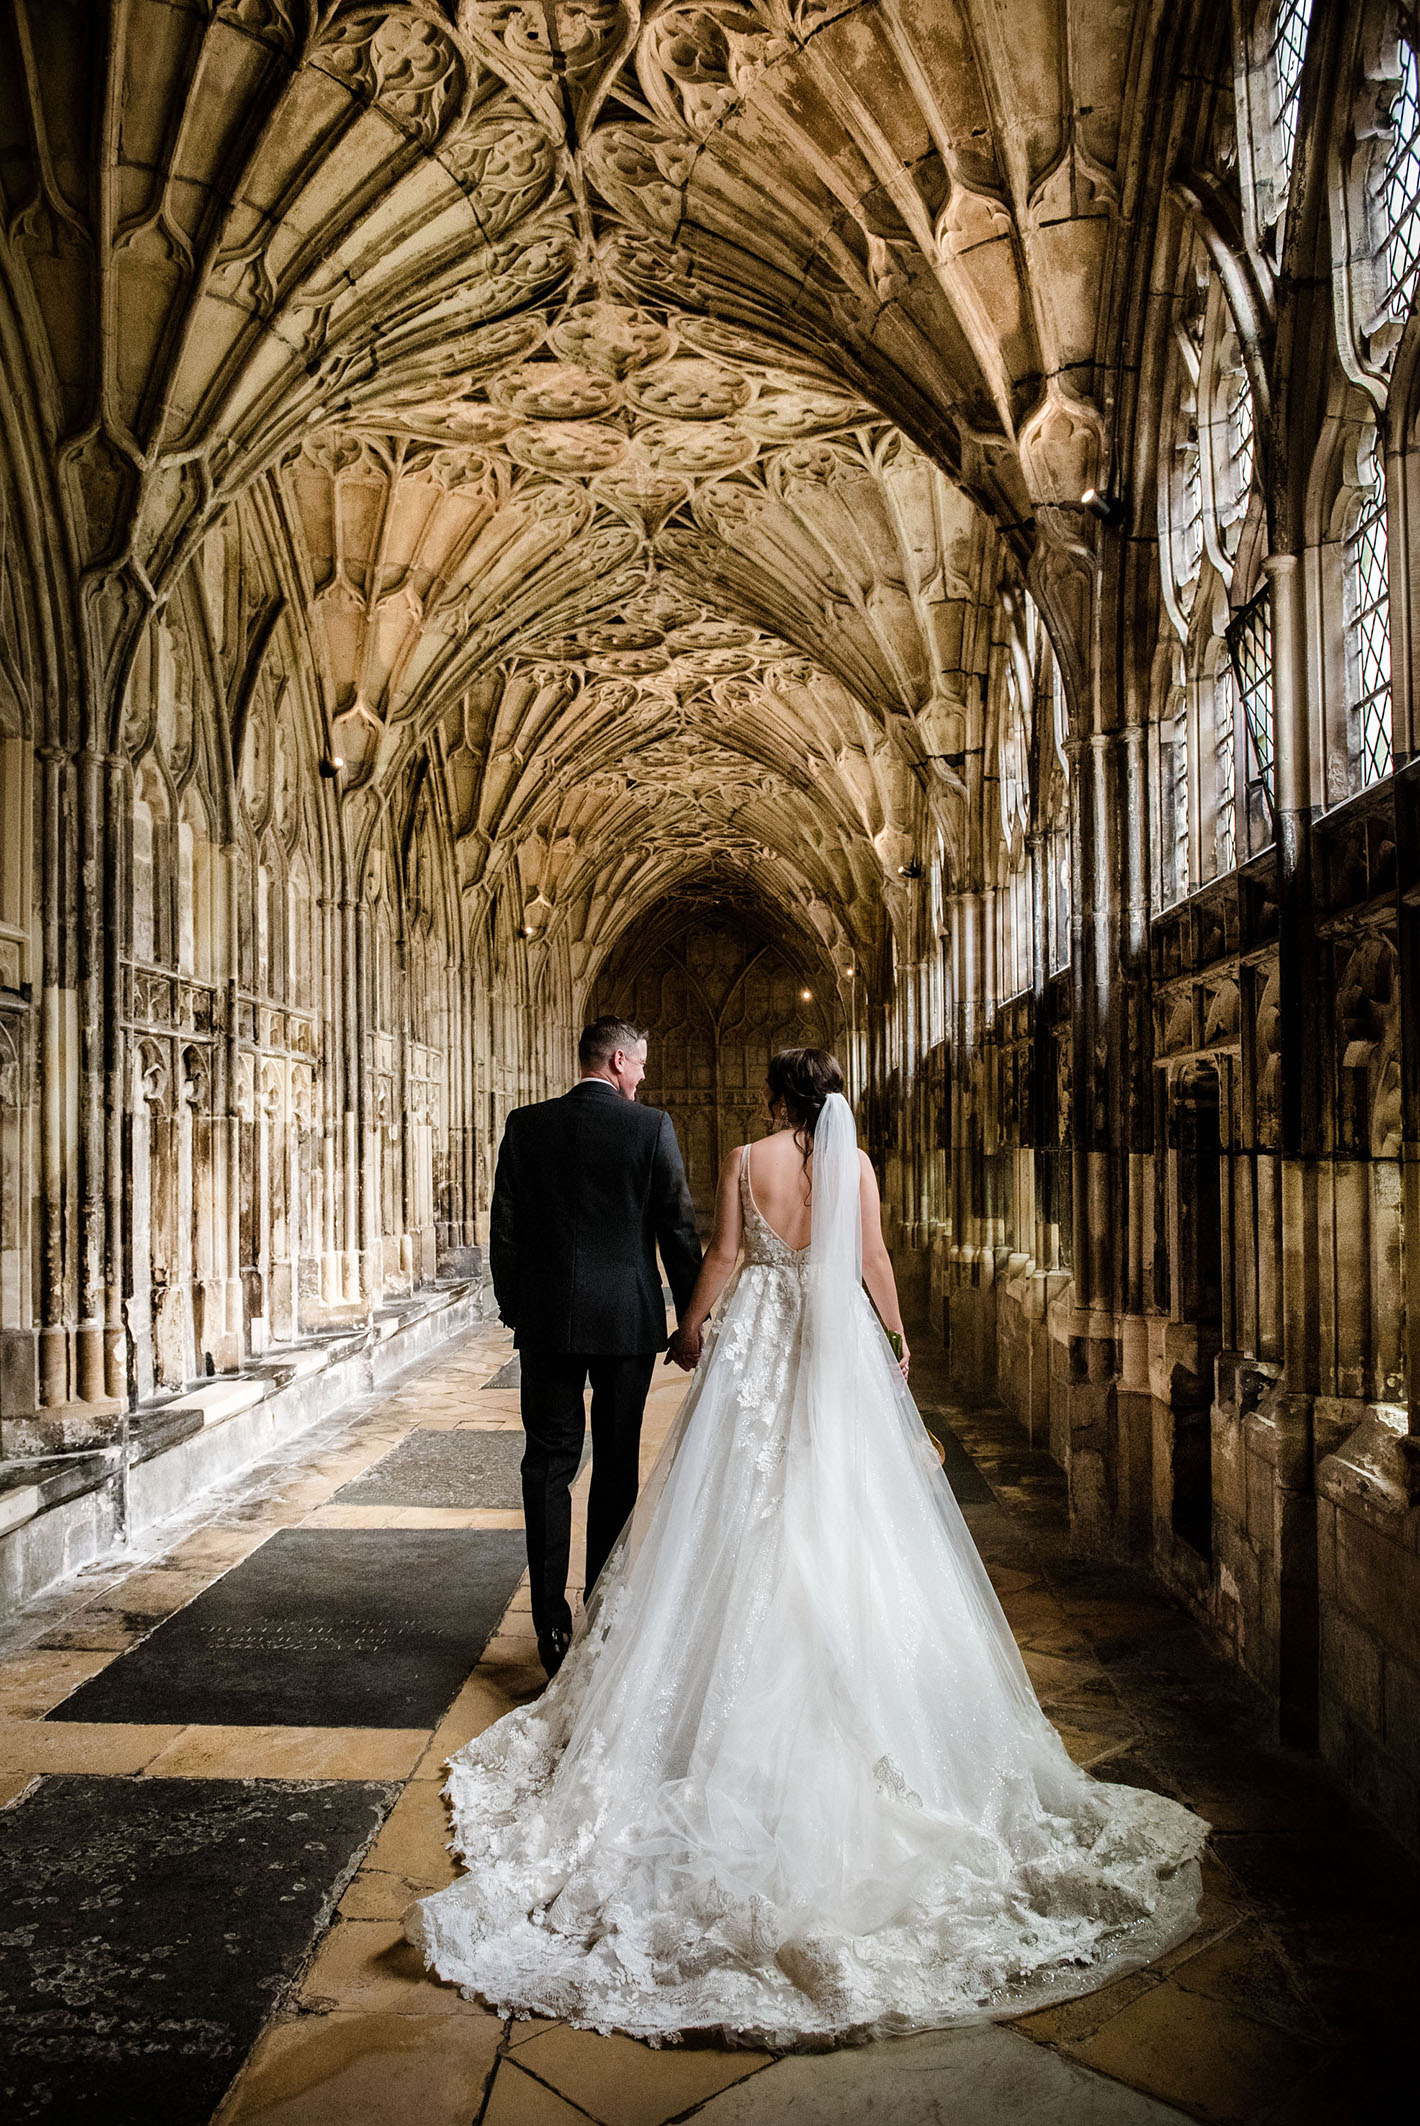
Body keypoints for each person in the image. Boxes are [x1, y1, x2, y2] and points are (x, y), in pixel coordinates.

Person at [410, 1047, 1206, 2048]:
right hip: (829, 1360)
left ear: (775, 1096)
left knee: (730, 1520)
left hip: (757, 1356)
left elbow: (726, 1257)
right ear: (831, 1100)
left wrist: (693, 1327)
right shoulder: (855, 1166)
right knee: (841, 1522)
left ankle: (674, 1692)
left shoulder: (745, 1157)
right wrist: (896, 1341)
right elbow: (871, 1262)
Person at [489, 1015, 702, 1679]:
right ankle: (603, 1611)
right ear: (615, 1061)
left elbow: (506, 1231)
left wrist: (522, 1309)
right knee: (614, 1463)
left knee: (547, 1463)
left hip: (548, 1323)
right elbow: (678, 1230)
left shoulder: (528, 1126)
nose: (643, 1077)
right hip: (626, 1324)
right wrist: (690, 1319)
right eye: (638, 1064)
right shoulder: (651, 1128)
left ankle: (549, 1620)